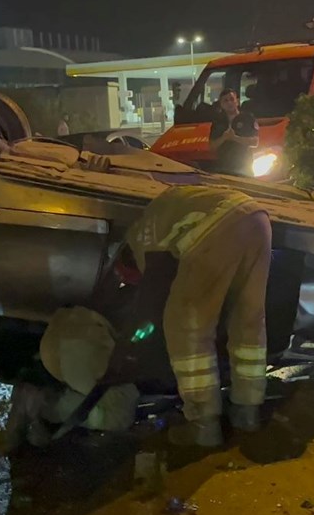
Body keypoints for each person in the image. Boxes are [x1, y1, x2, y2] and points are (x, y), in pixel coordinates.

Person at [115, 185, 272, 447]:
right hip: (256, 219)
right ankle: (247, 412)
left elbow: (153, 287)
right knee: (247, 318)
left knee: (185, 324)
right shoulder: (170, 206)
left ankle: (203, 425)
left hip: (219, 225)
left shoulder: (138, 236)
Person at [209, 89, 259, 176]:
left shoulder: (248, 118)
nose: (229, 103)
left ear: (237, 101)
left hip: (244, 167)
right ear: (221, 104)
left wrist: (235, 138)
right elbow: (212, 145)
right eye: (225, 100)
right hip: (224, 168)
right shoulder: (218, 121)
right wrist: (224, 138)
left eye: (232, 99)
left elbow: (255, 142)